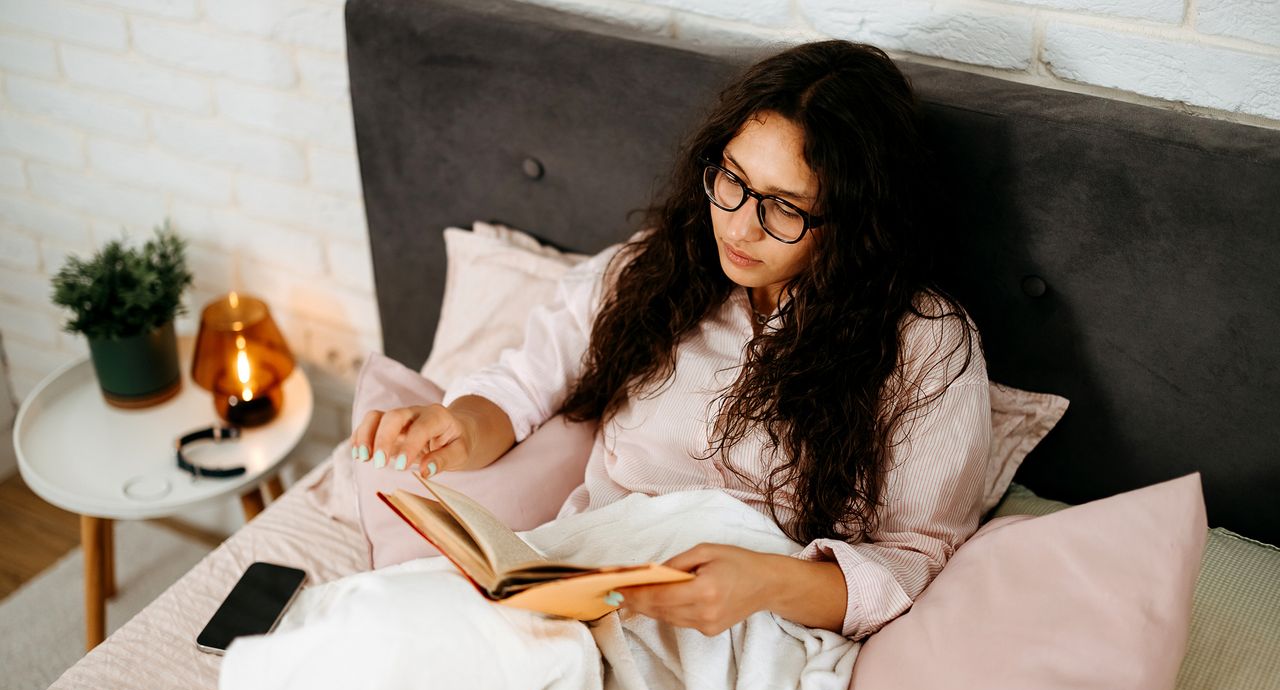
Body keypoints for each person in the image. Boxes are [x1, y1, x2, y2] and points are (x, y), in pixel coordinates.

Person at [350, 39, 990, 643]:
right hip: (584, 578)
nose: (740, 226)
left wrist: (768, 583)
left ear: (857, 222)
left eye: (785, 208)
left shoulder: (925, 344)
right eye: (732, 180)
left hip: (753, 625)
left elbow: (917, 556)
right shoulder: (654, 272)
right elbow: (522, 383)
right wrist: (459, 425)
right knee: (372, 626)